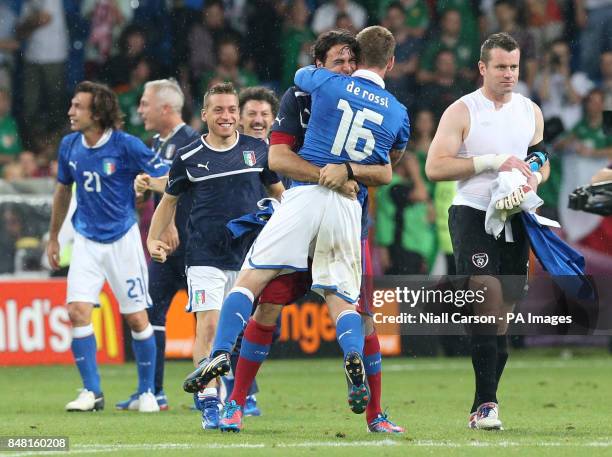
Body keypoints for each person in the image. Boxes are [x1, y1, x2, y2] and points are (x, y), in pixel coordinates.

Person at [186, 26, 410, 433]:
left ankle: (376, 413)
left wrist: (346, 170)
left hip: (340, 218)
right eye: (337, 60)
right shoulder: (299, 98)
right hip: (318, 203)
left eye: (350, 59)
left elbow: (385, 169)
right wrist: (335, 175)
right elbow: (279, 160)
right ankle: (236, 404)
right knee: (270, 306)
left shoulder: (327, 88)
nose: (345, 65)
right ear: (321, 63)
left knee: (363, 315)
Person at [425, 32, 549, 430]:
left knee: (502, 316)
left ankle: (446, 293)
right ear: (482, 68)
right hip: (472, 211)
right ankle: (486, 404)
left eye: (513, 66)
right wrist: (492, 161)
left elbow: (540, 159)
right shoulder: (462, 111)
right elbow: (436, 167)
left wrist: (534, 181)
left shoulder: (531, 111)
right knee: (487, 295)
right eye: (500, 67)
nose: (508, 74)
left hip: (516, 217)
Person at [146, 82, 284, 430]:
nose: (226, 116)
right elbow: (169, 201)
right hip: (205, 256)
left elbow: (279, 194)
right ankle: (209, 403)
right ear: (205, 115)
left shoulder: (258, 150)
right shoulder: (189, 157)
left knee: (241, 333)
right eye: (218, 110)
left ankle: (237, 399)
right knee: (208, 326)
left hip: (250, 258)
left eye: (232, 110)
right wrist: (152, 238)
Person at [46, 81, 170, 413]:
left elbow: (168, 176)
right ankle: (91, 391)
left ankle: (146, 392)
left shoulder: (126, 146)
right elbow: (62, 191)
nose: (71, 112)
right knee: (76, 312)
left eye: (78, 106)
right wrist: (54, 236)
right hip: (86, 239)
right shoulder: (70, 145)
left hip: (122, 240)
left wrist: (148, 186)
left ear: (97, 112)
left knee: (136, 319)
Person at [115, 78, 199, 412]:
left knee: (206, 319)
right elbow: (159, 190)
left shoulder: (192, 141)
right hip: (161, 246)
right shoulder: (154, 143)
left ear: (166, 108)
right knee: (152, 313)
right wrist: (141, 190)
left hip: (193, 244)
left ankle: (213, 391)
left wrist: (174, 222)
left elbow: (190, 187)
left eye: (145, 104)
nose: (139, 110)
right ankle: (152, 391)